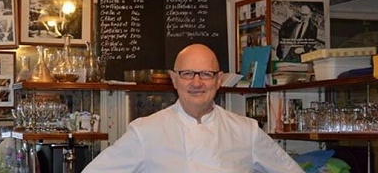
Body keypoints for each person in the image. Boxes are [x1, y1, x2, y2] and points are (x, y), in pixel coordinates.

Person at [82, 44, 303, 173]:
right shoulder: (146, 131)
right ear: (174, 79)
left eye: (206, 74)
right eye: (187, 73)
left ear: (219, 80)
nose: (197, 83)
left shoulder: (247, 131)